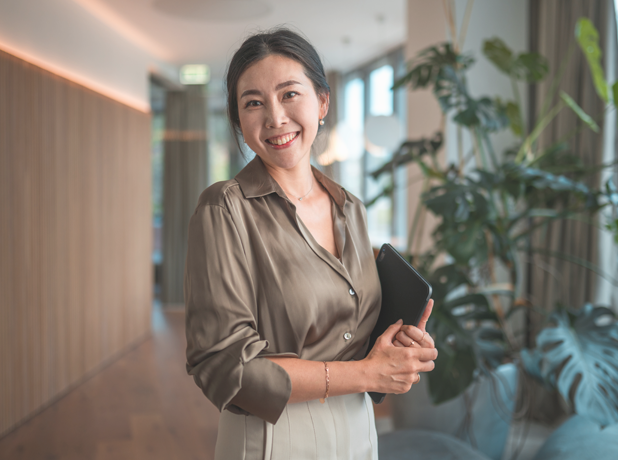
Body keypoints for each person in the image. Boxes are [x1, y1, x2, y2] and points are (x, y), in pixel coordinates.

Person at [184, 27, 438, 460]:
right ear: (239, 121)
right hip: (274, 435)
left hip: (359, 428)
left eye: (289, 94)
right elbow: (225, 367)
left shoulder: (351, 209)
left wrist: (396, 353)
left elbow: (356, 340)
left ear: (322, 102)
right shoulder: (225, 208)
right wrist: (364, 373)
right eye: (253, 103)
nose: (275, 118)